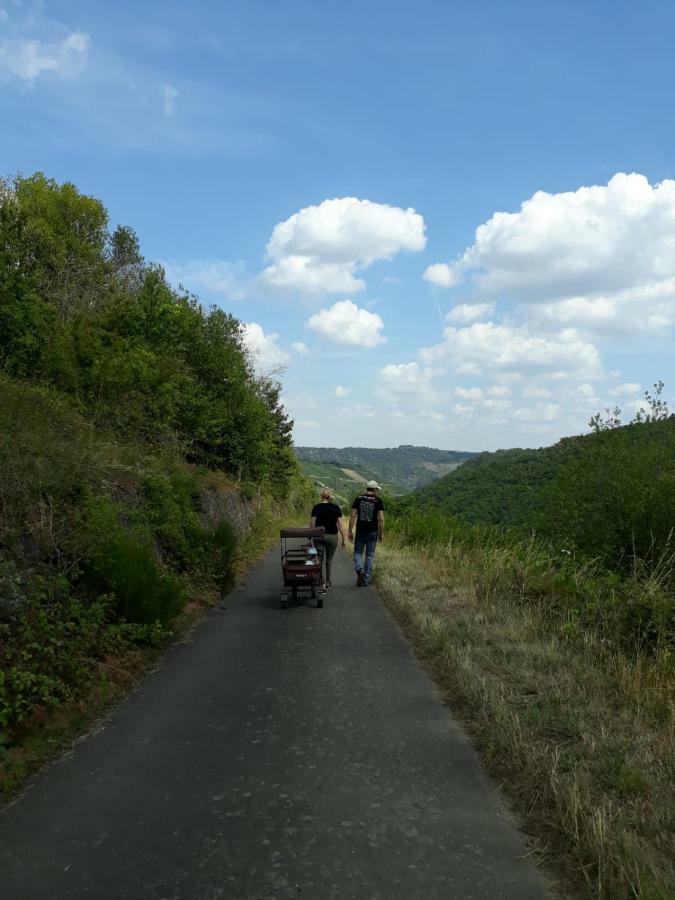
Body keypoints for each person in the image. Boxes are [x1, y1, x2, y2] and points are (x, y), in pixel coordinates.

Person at [348, 480, 384, 587]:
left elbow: (353, 515)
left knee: (358, 552)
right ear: (375, 489)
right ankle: (367, 579)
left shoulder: (359, 499)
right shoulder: (378, 501)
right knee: (369, 555)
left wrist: (350, 530)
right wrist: (381, 534)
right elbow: (381, 519)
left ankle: (359, 569)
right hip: (373, 532)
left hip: (360, 531)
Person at [310, 488, 346, 588]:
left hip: (318, 536)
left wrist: (310, 537)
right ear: (330, 496)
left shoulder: (316, 507)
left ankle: (321, 581)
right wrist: (343, 539)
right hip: (332, 537)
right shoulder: (336, 508)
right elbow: (341, 525)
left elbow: (312, 524)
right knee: (329, 561)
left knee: (320, 559)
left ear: (321, 496)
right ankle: (328, 582)